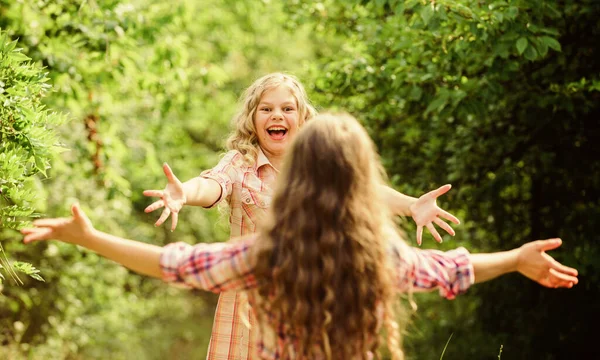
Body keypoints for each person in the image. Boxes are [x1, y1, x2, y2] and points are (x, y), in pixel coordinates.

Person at [22, 113, 578, 360]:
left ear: (296, 180)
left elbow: (175, 262)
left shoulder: (269, 255)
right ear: (361, 179)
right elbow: (451, 268)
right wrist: (514, 259)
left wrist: (90, 238)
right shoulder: (377, 256)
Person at [141, 73, 460, 359]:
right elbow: (212, 186)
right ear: (252, 119)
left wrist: (412, 205)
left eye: (286, 109)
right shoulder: (240, 163)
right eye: (266, 109)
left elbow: (363, 191)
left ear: (302, 117)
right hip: (249, 300)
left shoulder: (317, 164)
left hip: (309, 295)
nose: (276, 115)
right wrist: (185, 193)